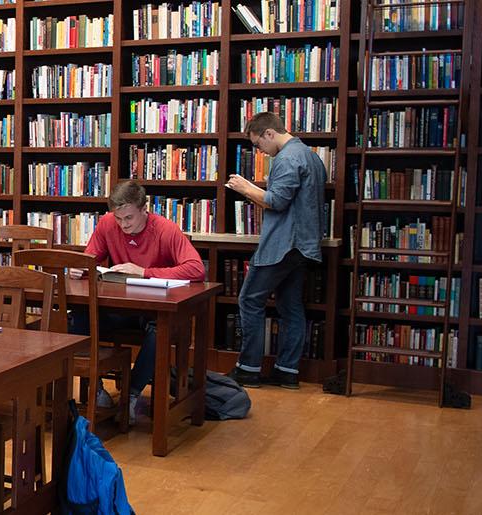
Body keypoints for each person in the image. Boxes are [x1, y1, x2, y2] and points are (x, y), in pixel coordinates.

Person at [67, 180, 206, 417]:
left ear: (145, 209)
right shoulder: (108, 224)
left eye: (129, 218)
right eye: (118, 219)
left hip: (153, 311)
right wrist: (79, 268)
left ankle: (131, 393)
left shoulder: (165, 229)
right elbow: (91, 258)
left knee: (159, 329)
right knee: (77, 317)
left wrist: (144, 272)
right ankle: (96, 388)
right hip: (120, 308)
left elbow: (196, 269)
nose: (123, 225)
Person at [225, 112, 328, 389]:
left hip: (283, 244)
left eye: (259, 144)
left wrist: (245, 188)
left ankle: (248, 369)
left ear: (270, 133)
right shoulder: (312, 156)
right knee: (290, 306)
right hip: (304, 246)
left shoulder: (286, 158)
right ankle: (286, 371)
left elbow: (277, 201)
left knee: (249, 300)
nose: (261, 151)